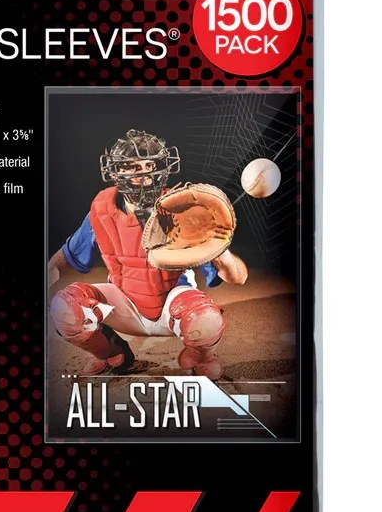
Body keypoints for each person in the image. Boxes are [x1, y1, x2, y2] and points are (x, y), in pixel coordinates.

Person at [48, 129, 247, 379]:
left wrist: (219, 247)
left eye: (150, 165)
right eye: (134, 166)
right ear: (115, 172)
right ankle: (111, 353)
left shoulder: (182, 210)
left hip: (172, 305)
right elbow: (62, 260)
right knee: (63, 308)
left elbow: (237, 278)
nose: (144, 174)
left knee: (206, 321)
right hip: (123, 305)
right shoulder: (101, 212)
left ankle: (200, 357)